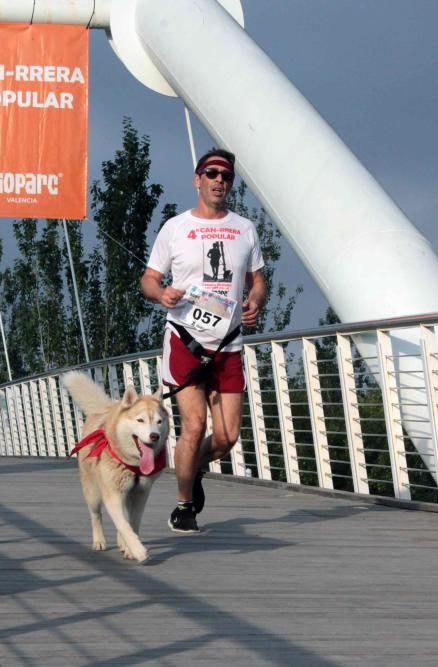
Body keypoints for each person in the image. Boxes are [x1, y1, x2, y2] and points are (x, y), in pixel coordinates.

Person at [140, 148, 267, 533]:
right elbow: (148, 279)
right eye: (211, 173)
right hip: (185, 340)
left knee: (228, 436)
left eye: (225, 176)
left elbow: (258, 280)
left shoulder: (244, 228)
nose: (219, 181)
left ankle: (191, 468)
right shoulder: (175, 228)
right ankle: (183, 507)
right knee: (193, 426)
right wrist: (160, 294)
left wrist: (255, 302)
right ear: (197, 179)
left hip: (227, 343)